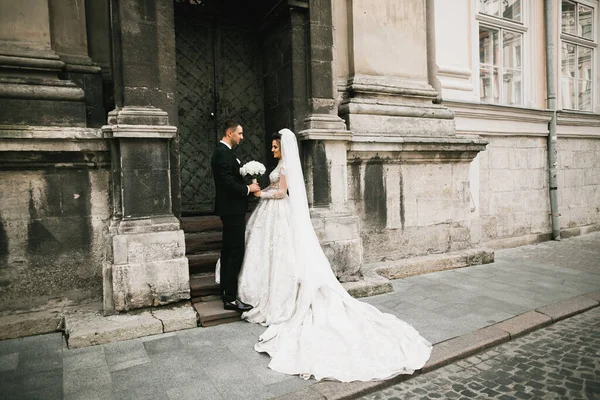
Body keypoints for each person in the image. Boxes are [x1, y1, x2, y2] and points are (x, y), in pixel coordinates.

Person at [237, 128, 432, 382]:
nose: (272, 150)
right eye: (273, 147)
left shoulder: (285, 168)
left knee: (283, 253)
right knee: (271, 254)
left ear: (284, 148)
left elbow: (282, 192)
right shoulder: (280, 165)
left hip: (279, 211)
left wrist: (259, 193)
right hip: (271, 214)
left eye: (275, 147)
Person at [211, 120, 260, 312]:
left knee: (228, 250)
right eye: (239, 134)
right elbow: (228, 183)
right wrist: (248, 188)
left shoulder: (226, 153)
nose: (242, 137)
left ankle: (225, 290)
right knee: (235, 252)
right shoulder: (222, 154)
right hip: (231, 210)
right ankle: (230, 298)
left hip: (231, 209)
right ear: (229, 133)